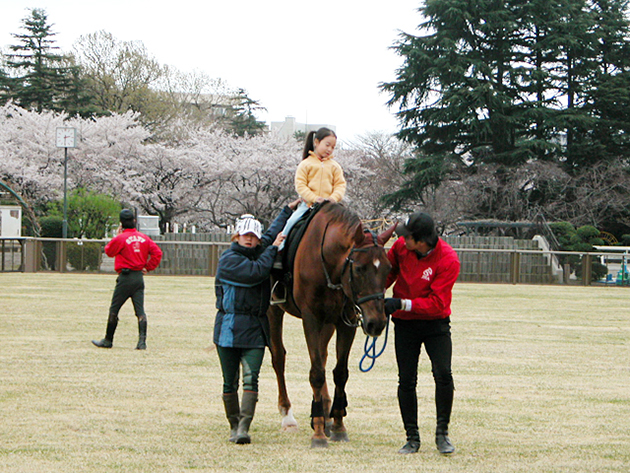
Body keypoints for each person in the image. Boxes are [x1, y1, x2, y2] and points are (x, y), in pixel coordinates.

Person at [214, 200, 299, 444]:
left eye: (253, 236)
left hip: (254, 329)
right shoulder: (228, 260)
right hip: (227, 329)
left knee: (251, 379)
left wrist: (287, 210)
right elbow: (256, 273)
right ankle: (233, 425)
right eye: (245, 235)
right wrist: (273, 249)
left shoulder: (262, 249)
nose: (250, 239)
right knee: (229, 382)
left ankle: (243, 427)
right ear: (237, 237)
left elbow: (272, 234)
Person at [384, 211, 460, 455]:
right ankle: (412, 437)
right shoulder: (399, 248)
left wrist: (400, 303)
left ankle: (442, 434)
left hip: (435, 324)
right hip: (405, 325)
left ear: (422, 240)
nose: (402, 240)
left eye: (408, 237)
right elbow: (388, 272)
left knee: (443, 374)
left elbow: (437, 303)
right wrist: (375, 294)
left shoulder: (448, 259)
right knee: (406, 379)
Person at [92, 209, 163, 350]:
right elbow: (157, 253)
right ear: (134, 221)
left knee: (114, 309)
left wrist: (117, 236)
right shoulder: (144, 238)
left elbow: (109, 251)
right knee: (140, 311)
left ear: (121, 223)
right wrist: (148, 267)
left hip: (125, 277)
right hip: (138, 277)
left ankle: (108, 340)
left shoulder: (121, 238)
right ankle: (141, 342)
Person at [277, 127, 346, 253]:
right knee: (291, 222)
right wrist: (314, 198)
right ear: (316, 142)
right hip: (308, 205)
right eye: (327, 145)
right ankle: (280, 252)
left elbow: (340, 185)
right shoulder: (305, 164)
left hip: (329, 207)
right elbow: (300, 185)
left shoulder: (335, 166)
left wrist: (333, 198)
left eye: (333, 147)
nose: (330, 149)